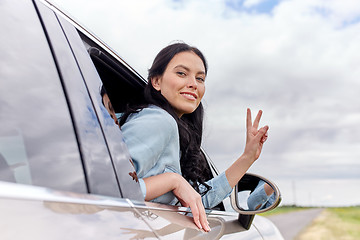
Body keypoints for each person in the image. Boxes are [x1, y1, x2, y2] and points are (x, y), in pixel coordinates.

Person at [118, 42, 269, 232]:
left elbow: (195, 202)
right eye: (181, 73)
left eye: (200, 78)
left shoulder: (172, 130)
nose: (193, 84)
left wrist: (247, 157)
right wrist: (172, 180)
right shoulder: (159, 121)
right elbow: (111, 189)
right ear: (156, 81)